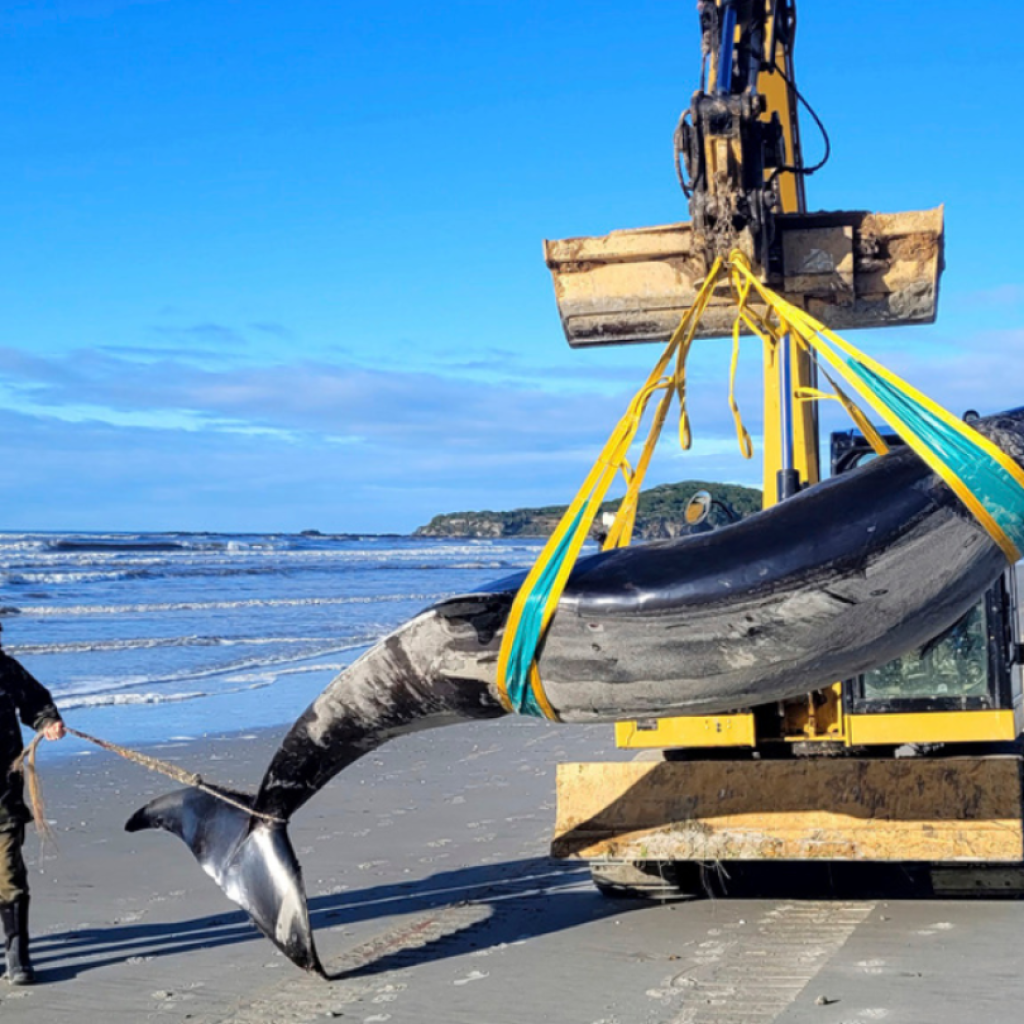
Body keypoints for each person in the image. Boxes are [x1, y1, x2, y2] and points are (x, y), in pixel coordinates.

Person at [0, 622, 65, 985]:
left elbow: (36, 702)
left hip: (3, 793)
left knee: (8, 873)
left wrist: (48, 722)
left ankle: (16, 954)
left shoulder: (5, 670)